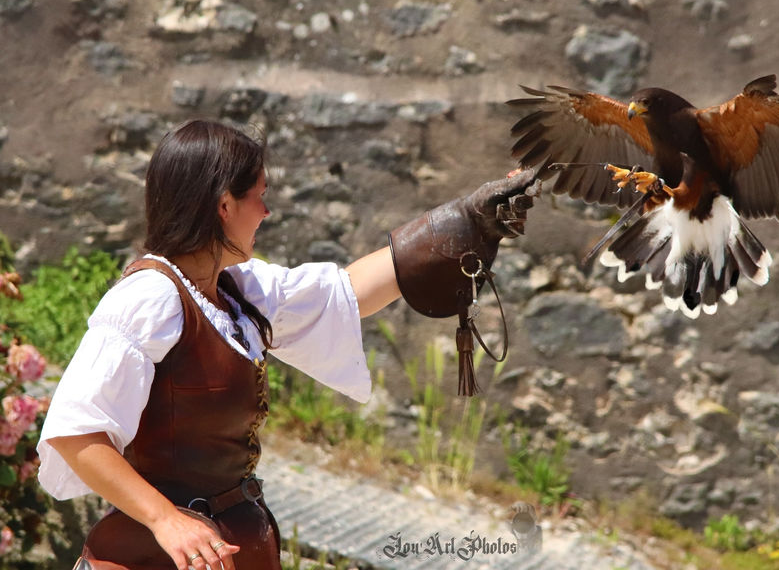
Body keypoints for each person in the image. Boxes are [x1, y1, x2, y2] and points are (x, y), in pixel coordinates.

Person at [36, 119, 538, 570]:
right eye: (258, 195)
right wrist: (166, 520)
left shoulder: (236, 289)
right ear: (224, 205)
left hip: (228, 546)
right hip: (151, 556)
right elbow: (76, 433)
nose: (267, 210)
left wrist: (466, 221)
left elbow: (347, 292)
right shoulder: (150, 298)